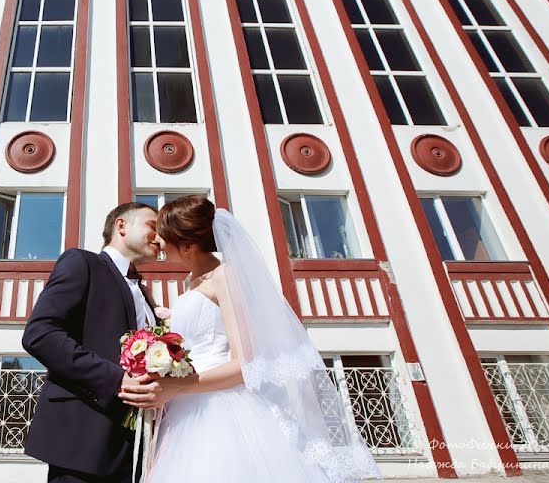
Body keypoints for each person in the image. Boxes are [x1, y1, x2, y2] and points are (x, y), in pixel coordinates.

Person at [119, 195, 382, 483]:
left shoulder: (224, 276)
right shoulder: (190, 281)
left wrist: (177, 386)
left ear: (187, 245)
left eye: (164, 237)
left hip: (222, 406)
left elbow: (246, 364)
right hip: (186, 404)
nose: (158, 242)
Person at [23, 202, 162, 483]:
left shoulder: (146, 294)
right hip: (83, 437)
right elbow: (40, 334)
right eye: (153, 226)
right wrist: (116, 379)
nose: (160, 238)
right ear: (121, 226)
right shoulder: (82, 262)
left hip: (135, 447)